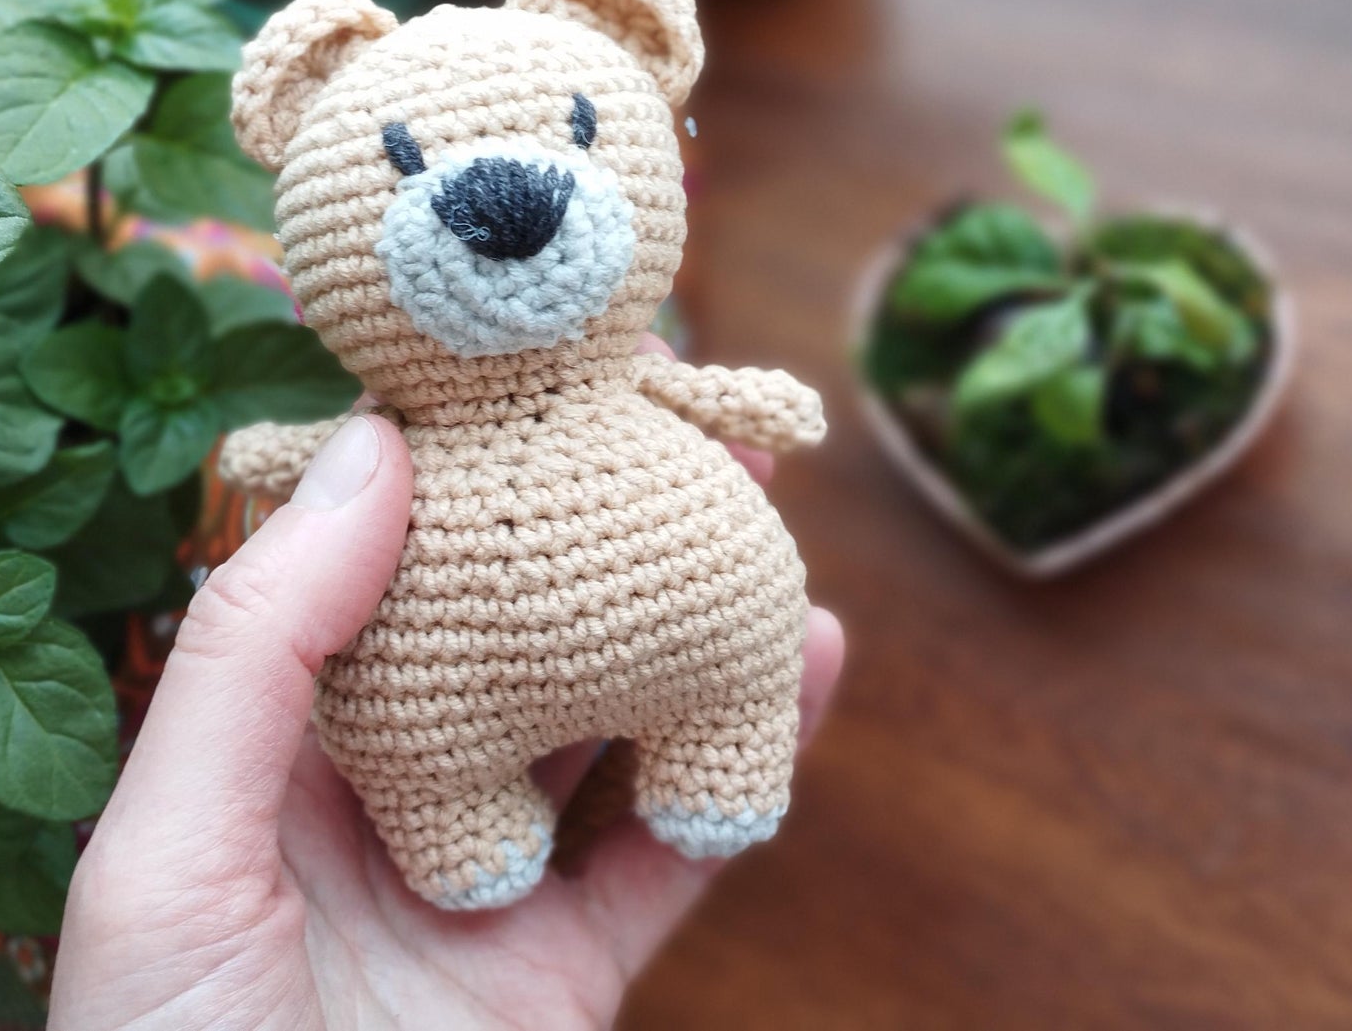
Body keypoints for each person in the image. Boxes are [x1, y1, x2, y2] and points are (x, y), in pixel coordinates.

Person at [48, 410, 846, 1031]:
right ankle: (462, 819)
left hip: (690, 630)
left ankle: (715, 747)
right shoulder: (383, 439)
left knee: (746, 658)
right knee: (418, 749)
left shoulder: (382, 441)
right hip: (454, 695)